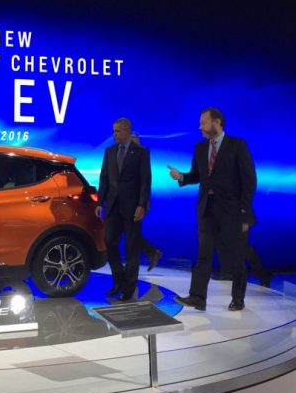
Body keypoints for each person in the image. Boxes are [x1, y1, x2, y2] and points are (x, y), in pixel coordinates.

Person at [167, 107, 256, 312]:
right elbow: (197, 176)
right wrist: (182, 177)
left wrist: (245, 213)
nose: (200, 127)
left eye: (203, 123)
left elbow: (249, 180)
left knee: (236, 256)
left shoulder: (237, 145)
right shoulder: (199, 148)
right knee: (204, 253)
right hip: (206, 209)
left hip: (232, 211)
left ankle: (238, 298)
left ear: (217, 123)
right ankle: (198, 297)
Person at [95, 118, 152, 301]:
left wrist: (142, 205)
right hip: (112, 206)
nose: (114, 134)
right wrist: (99, 202)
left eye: (118, 131)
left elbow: (145, 181)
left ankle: (129, 288)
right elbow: (104, 179)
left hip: (132, 208)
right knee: (110, 242)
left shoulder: (141, 152)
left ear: (127, 131)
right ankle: (118, 281)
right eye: (114, 131)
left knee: (131, 248)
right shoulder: (109, 152)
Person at [130, 133, 163, 271]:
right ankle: (151, 252)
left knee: (132, 233)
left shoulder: (142, 155)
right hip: (128, 201)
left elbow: (145, 181)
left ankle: (149, 254)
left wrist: (142, 204)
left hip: (137, 202)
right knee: (131, 233)